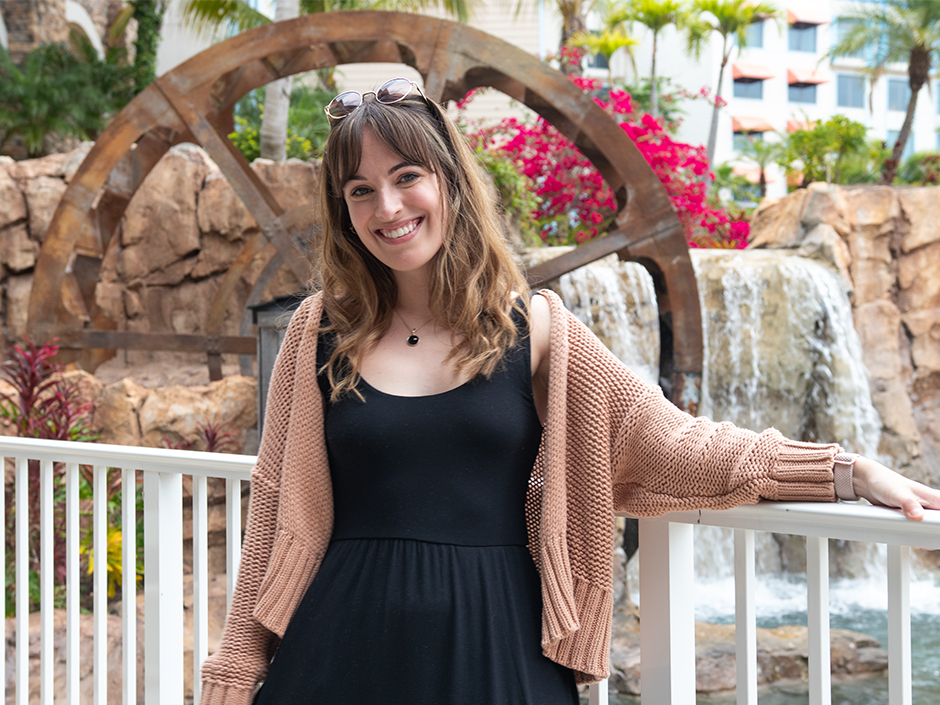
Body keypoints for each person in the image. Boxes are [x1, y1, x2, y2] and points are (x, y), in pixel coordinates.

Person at [199, 78, 940, 705]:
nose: (387, 207)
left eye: (406, 177)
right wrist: (234, 674)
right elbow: (273, 513)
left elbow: (674, 443)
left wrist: (847, 471)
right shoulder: (320, 330)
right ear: (345, 210)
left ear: (449, 180)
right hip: (338, 650)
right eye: (361, 190)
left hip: (498, 651)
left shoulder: (538, 329)